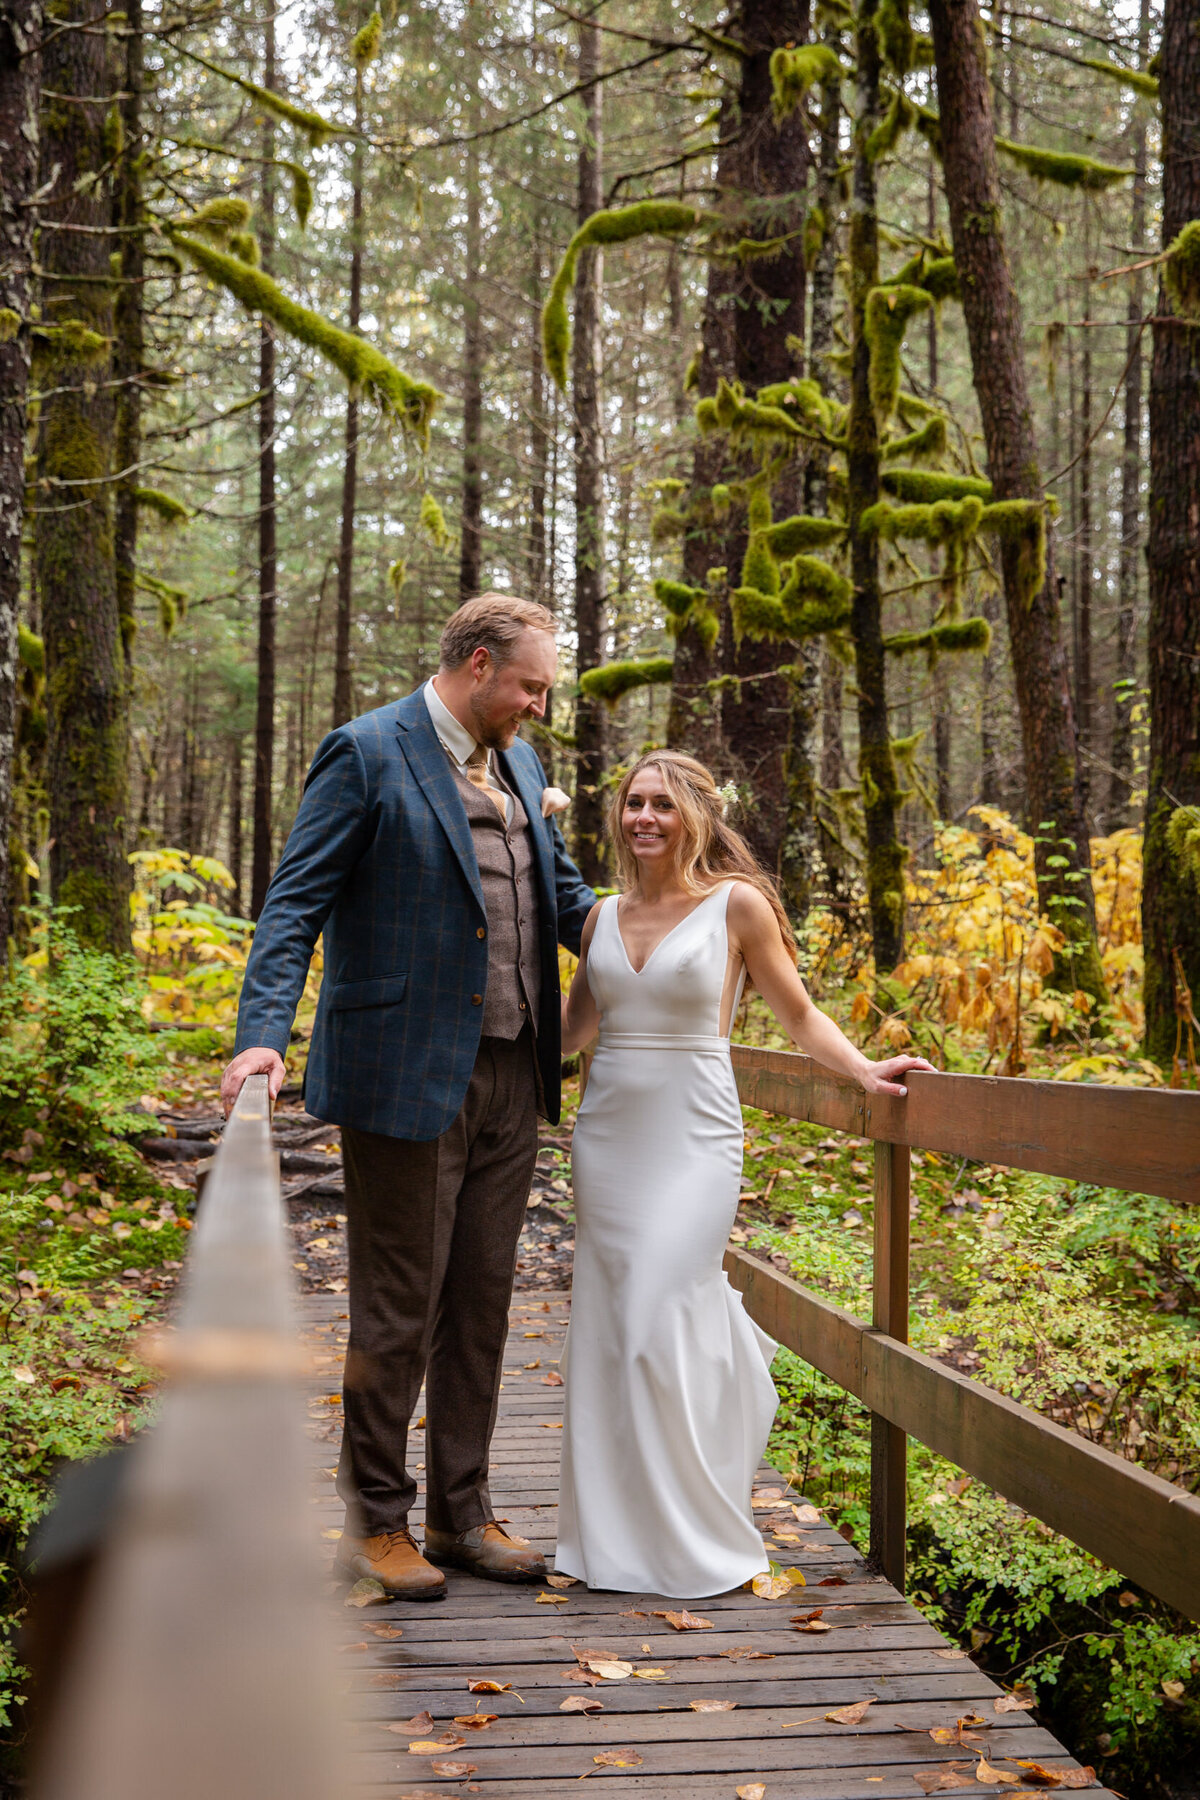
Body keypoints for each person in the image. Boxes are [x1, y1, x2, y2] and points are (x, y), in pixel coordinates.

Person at [221, 595, 596, 1600]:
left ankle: (462, 1515)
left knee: (481, 1299)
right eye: (529, 686)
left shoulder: (520, 762)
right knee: (398, 1304)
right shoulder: (366, 751)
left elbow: (563, 899)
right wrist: (262, 1038)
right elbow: (294, 900)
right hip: (402, 1070)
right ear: (478, 666)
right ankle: (374, 1522)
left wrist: (671, 932)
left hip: (515, 1072)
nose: (538, 705)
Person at [556, 750, 934, 1598]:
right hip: (608, 1138)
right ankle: (613, 1538)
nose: (643, 818)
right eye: (632, 804)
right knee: (617, 1328)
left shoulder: (737, 906)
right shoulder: (599, 918)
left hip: (694, 1139)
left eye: (661, 804)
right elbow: (574, 1028)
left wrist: (864, 1072)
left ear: (694, 814)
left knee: (660, 1310)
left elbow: (796, 1010)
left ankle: (696, 1528)